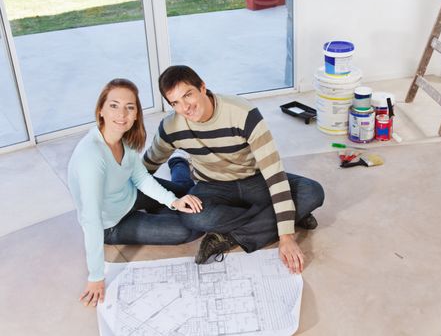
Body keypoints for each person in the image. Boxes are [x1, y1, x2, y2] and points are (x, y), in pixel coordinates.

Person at [143, 65, 325, 274]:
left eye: (188, 95)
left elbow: (274, 175)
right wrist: (122, 189)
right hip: (212, 185)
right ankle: (287, 215)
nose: (185, 107)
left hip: (255, 180)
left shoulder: (243, 113)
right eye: (175, 102)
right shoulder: (171, 127)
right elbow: (148, 164)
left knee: (312, 192)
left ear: (202, 87)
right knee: (194, 217)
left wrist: (286, 236)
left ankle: (229, 237)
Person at [67, 78, 203, 308]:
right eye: (114, 105)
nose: (122, 114)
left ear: (136, 114)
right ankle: (178, 171)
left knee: (187, 194)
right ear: (100, 110)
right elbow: (91, 220)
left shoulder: (123, 139)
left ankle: (178, 163)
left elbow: (140, 178)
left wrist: (174, 202)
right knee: (186, 229)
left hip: (129, 195)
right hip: (112, 223)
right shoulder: (91, 158)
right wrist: (96, 276)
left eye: (129, 107)